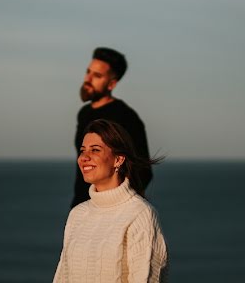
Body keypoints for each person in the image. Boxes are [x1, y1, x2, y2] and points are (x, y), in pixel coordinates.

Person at [54, 119, 168, 282]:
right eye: (82, 150)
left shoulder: (140, 214)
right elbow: (62, 277)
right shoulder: (77, 214)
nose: (84, 158)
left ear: (118, 160)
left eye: (95, 150)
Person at [72, 47, 152, 208]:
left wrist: (116, 209)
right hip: (83, 205)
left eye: (97, 75)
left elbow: (143, 171)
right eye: (88, 72)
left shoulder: (126, 117)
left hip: (112, 210)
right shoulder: (84, 113)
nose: (88, 79)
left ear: (112, 84)